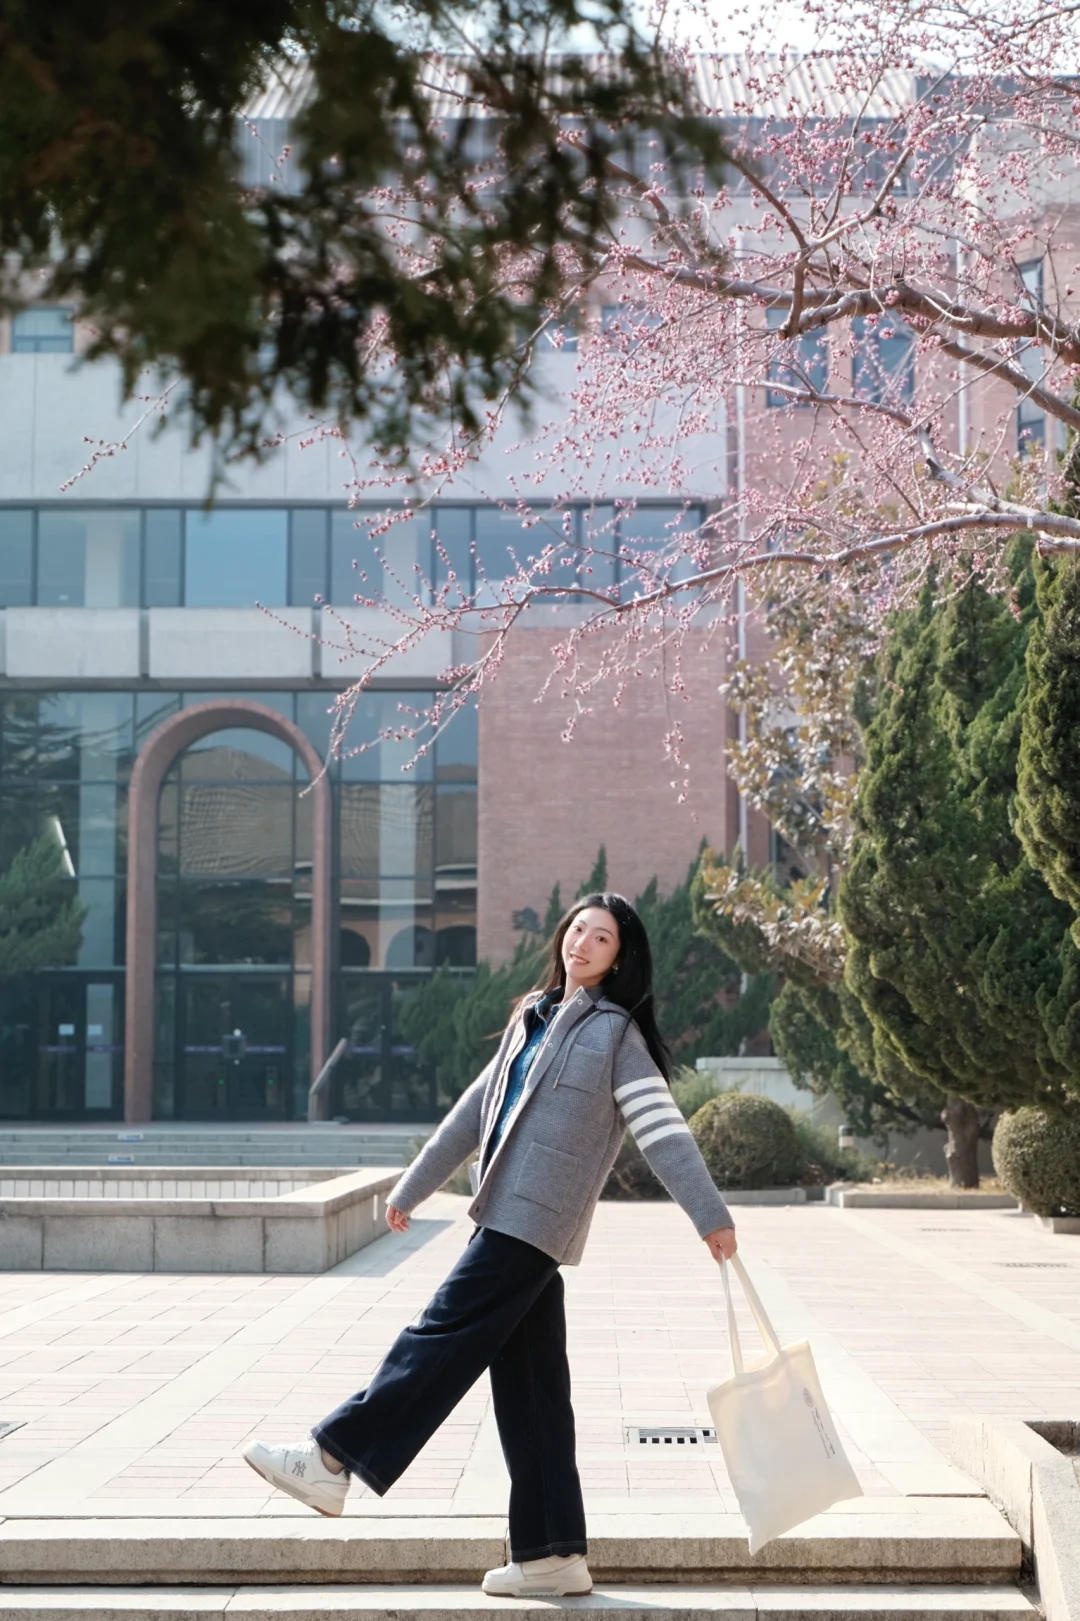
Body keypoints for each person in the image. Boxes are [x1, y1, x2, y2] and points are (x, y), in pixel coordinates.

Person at [244, 891, 737, 1597]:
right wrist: (413, 1186)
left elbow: (664, 1131)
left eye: (602, 939)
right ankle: (551, 1554)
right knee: (533, 1390)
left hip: (534, 1221)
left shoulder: (617, 1036)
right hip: (503, 1213)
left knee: (437, 1335)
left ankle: (331, 1459)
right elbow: (474, 1111)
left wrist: (709, 1214)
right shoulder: (530, 1017)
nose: (584, 944)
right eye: (578, 930)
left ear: (619, 957)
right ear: (562, 935)